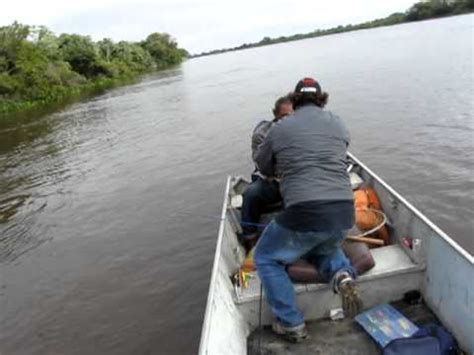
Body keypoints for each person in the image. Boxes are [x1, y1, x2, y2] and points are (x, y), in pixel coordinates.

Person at [254, 77, 362, 342]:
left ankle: (291, 322)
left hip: (304, 211)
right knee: (322, 245)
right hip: (343, 212)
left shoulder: (279, 128)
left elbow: (264, 167)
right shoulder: (338, 122)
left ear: (295, 100)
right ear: (322, 99)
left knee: (266, 257)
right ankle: (341, 274)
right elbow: (341, 152)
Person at [239, 95, 292, 248]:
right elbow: (263, 166)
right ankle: (250, 238)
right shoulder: (261, 135)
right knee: (251, 194)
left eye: (292, 117)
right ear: (275, 115)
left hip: (295, 180)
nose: (287, 121)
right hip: (270, 181)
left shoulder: (301, 132)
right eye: (284, 117)